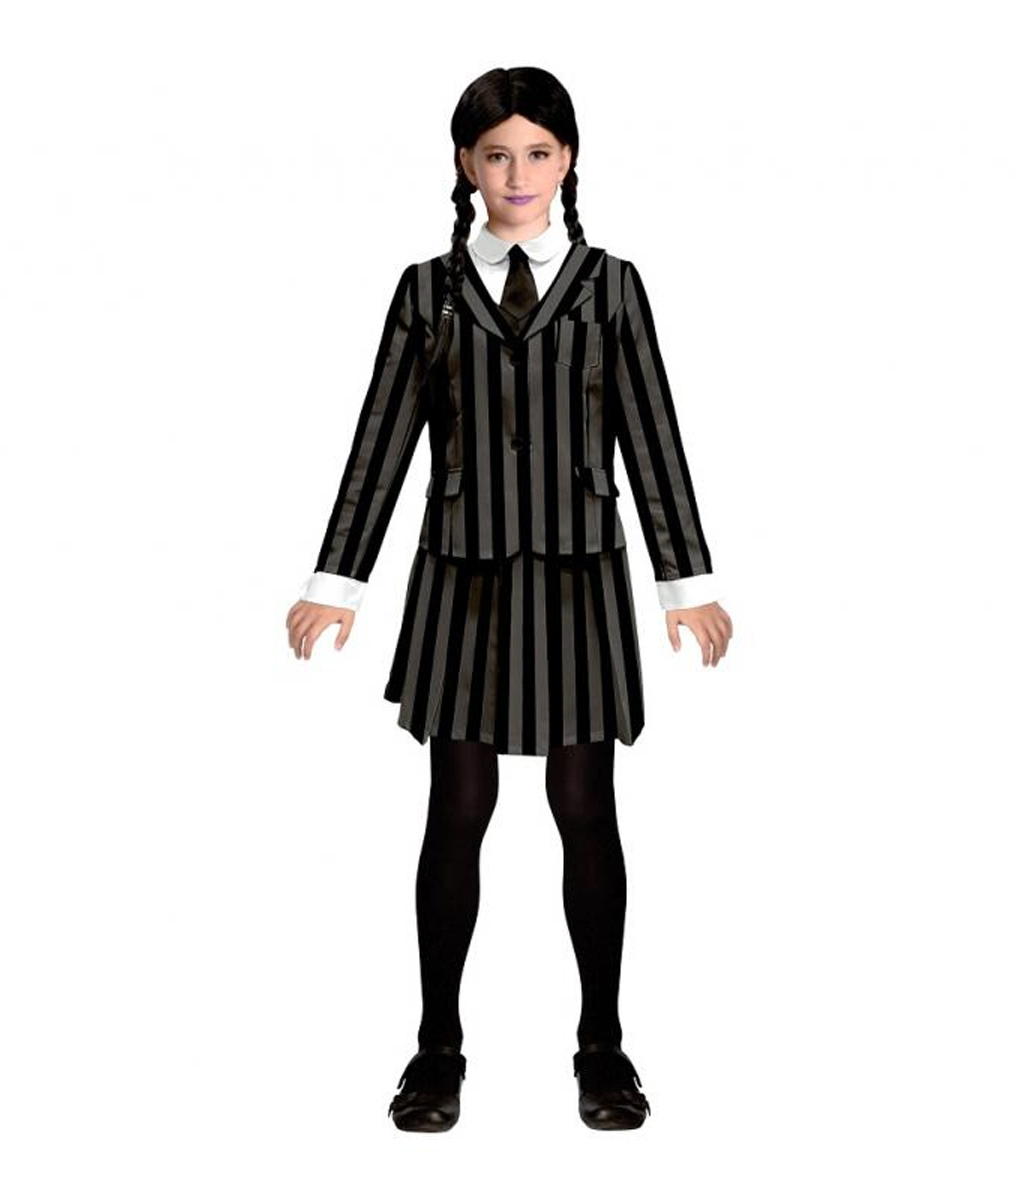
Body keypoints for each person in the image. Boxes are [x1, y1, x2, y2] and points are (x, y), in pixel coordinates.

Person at [285, 66, 733, 1131]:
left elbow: (652, 433)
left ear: (567, 160)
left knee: (586, 807)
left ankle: (602, 1047)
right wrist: (338, 579)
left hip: (579, 577)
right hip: (462, 577)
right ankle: (436, 1048)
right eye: (496, 155)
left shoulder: (611, 286)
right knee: (457, 807)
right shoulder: (426, 291)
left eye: (537, 153)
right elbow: (381, 440)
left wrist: (685, 581)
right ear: (465, 164)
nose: (517, 174)